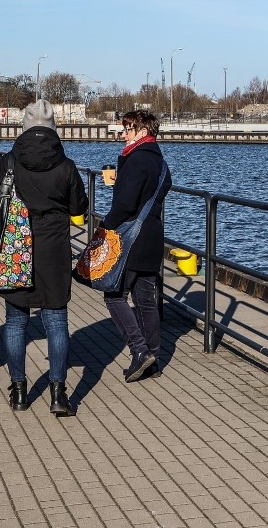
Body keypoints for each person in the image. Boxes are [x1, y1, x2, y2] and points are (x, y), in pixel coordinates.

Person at [0, 99, 88, 416]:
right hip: (54, 249)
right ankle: (58, 393)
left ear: (23, 126)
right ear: (54, 129)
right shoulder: (65, 166)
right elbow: (79, 207)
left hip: (16, 247)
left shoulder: (10, 162)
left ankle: (20, 391)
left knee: (15, 322)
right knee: (56, 321)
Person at [102, 110, 172, 383]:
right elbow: (163, 186)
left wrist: (106, 225)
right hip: (152, 234)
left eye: (127, 130)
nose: (123, 134)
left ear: (142, 132)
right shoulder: (159, 160)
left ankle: (140, 351)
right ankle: (153, 358)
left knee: (114, 294)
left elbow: (125, 205)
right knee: (145, 297)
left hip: (132, 238)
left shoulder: (136, 159)